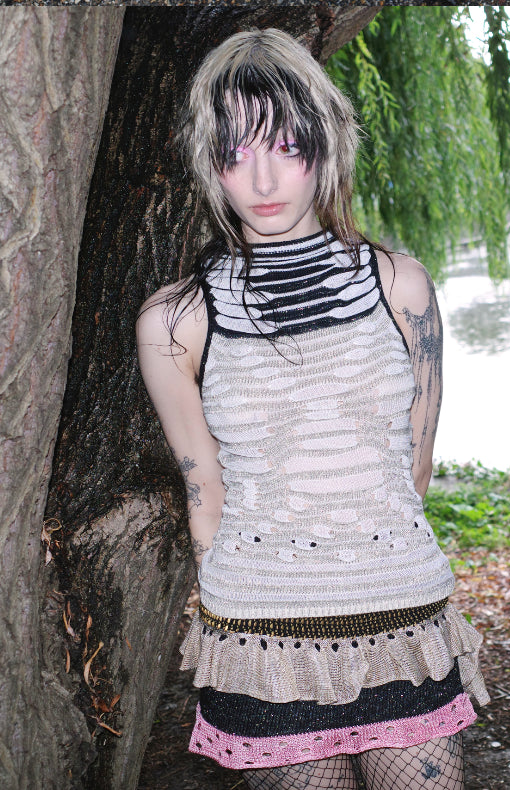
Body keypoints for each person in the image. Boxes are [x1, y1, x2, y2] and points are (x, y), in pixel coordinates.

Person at [136, 28, 489, 790]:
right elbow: (205, 500)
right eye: (235, 152)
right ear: (209, 163)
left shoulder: (400, 286)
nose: (262, 177)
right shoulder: (176, 322)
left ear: (325, 145)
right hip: (264, 649)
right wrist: (263, 607)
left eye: (286, 145)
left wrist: (357, 570)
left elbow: (414, 466)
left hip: (402, 627)